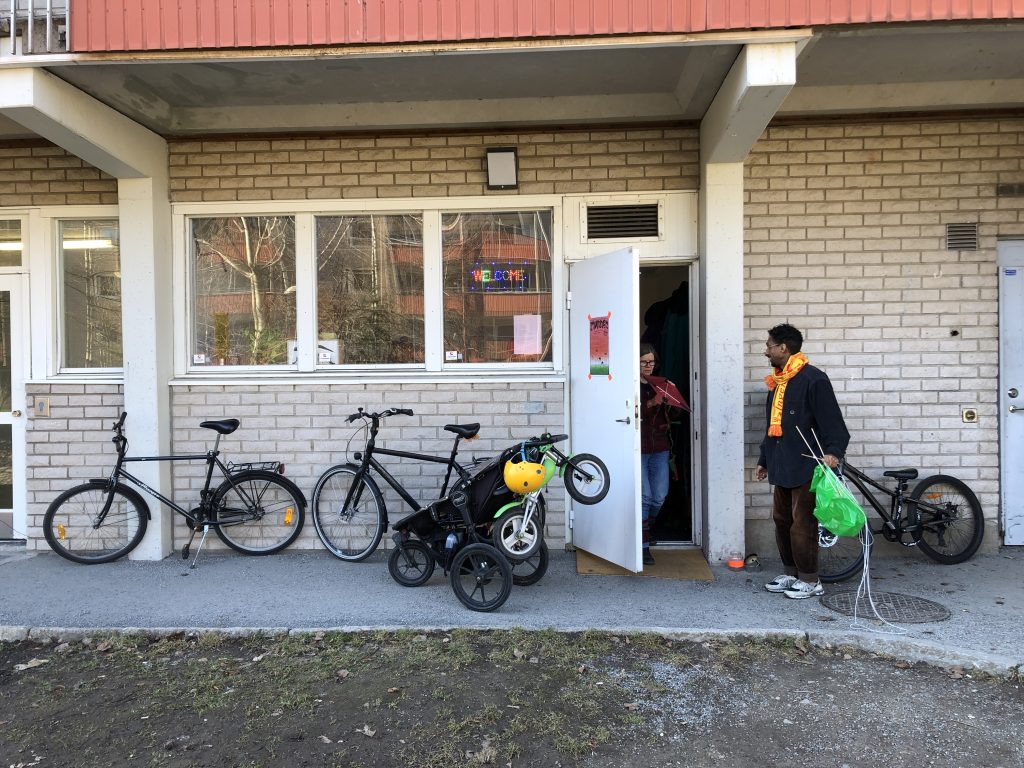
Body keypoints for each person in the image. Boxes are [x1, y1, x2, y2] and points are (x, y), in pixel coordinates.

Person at [756, 324, 849, 599]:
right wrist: (764, 459)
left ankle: (810, 579)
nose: (766, 351)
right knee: (781, 519)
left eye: (769, 345)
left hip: (809, 464)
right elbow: (771, 426)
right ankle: (791, 572)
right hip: (782, 461)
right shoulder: (778, 382)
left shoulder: (813, 379)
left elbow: (834, 424)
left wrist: (833, 452)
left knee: (803, 522)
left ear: (783, 348)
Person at [639, 343, 687, 566]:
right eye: (643, 362)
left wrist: (672, 401)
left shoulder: (661, 384)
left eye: (651, 362)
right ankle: (643, 545)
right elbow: (634, 413)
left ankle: (645, 529)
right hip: (637, 449)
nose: (649, 366)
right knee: (646, 496)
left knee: (659, 496)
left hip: (659, 447)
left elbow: (675, 414)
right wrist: (651, 403)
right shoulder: (628, 385)